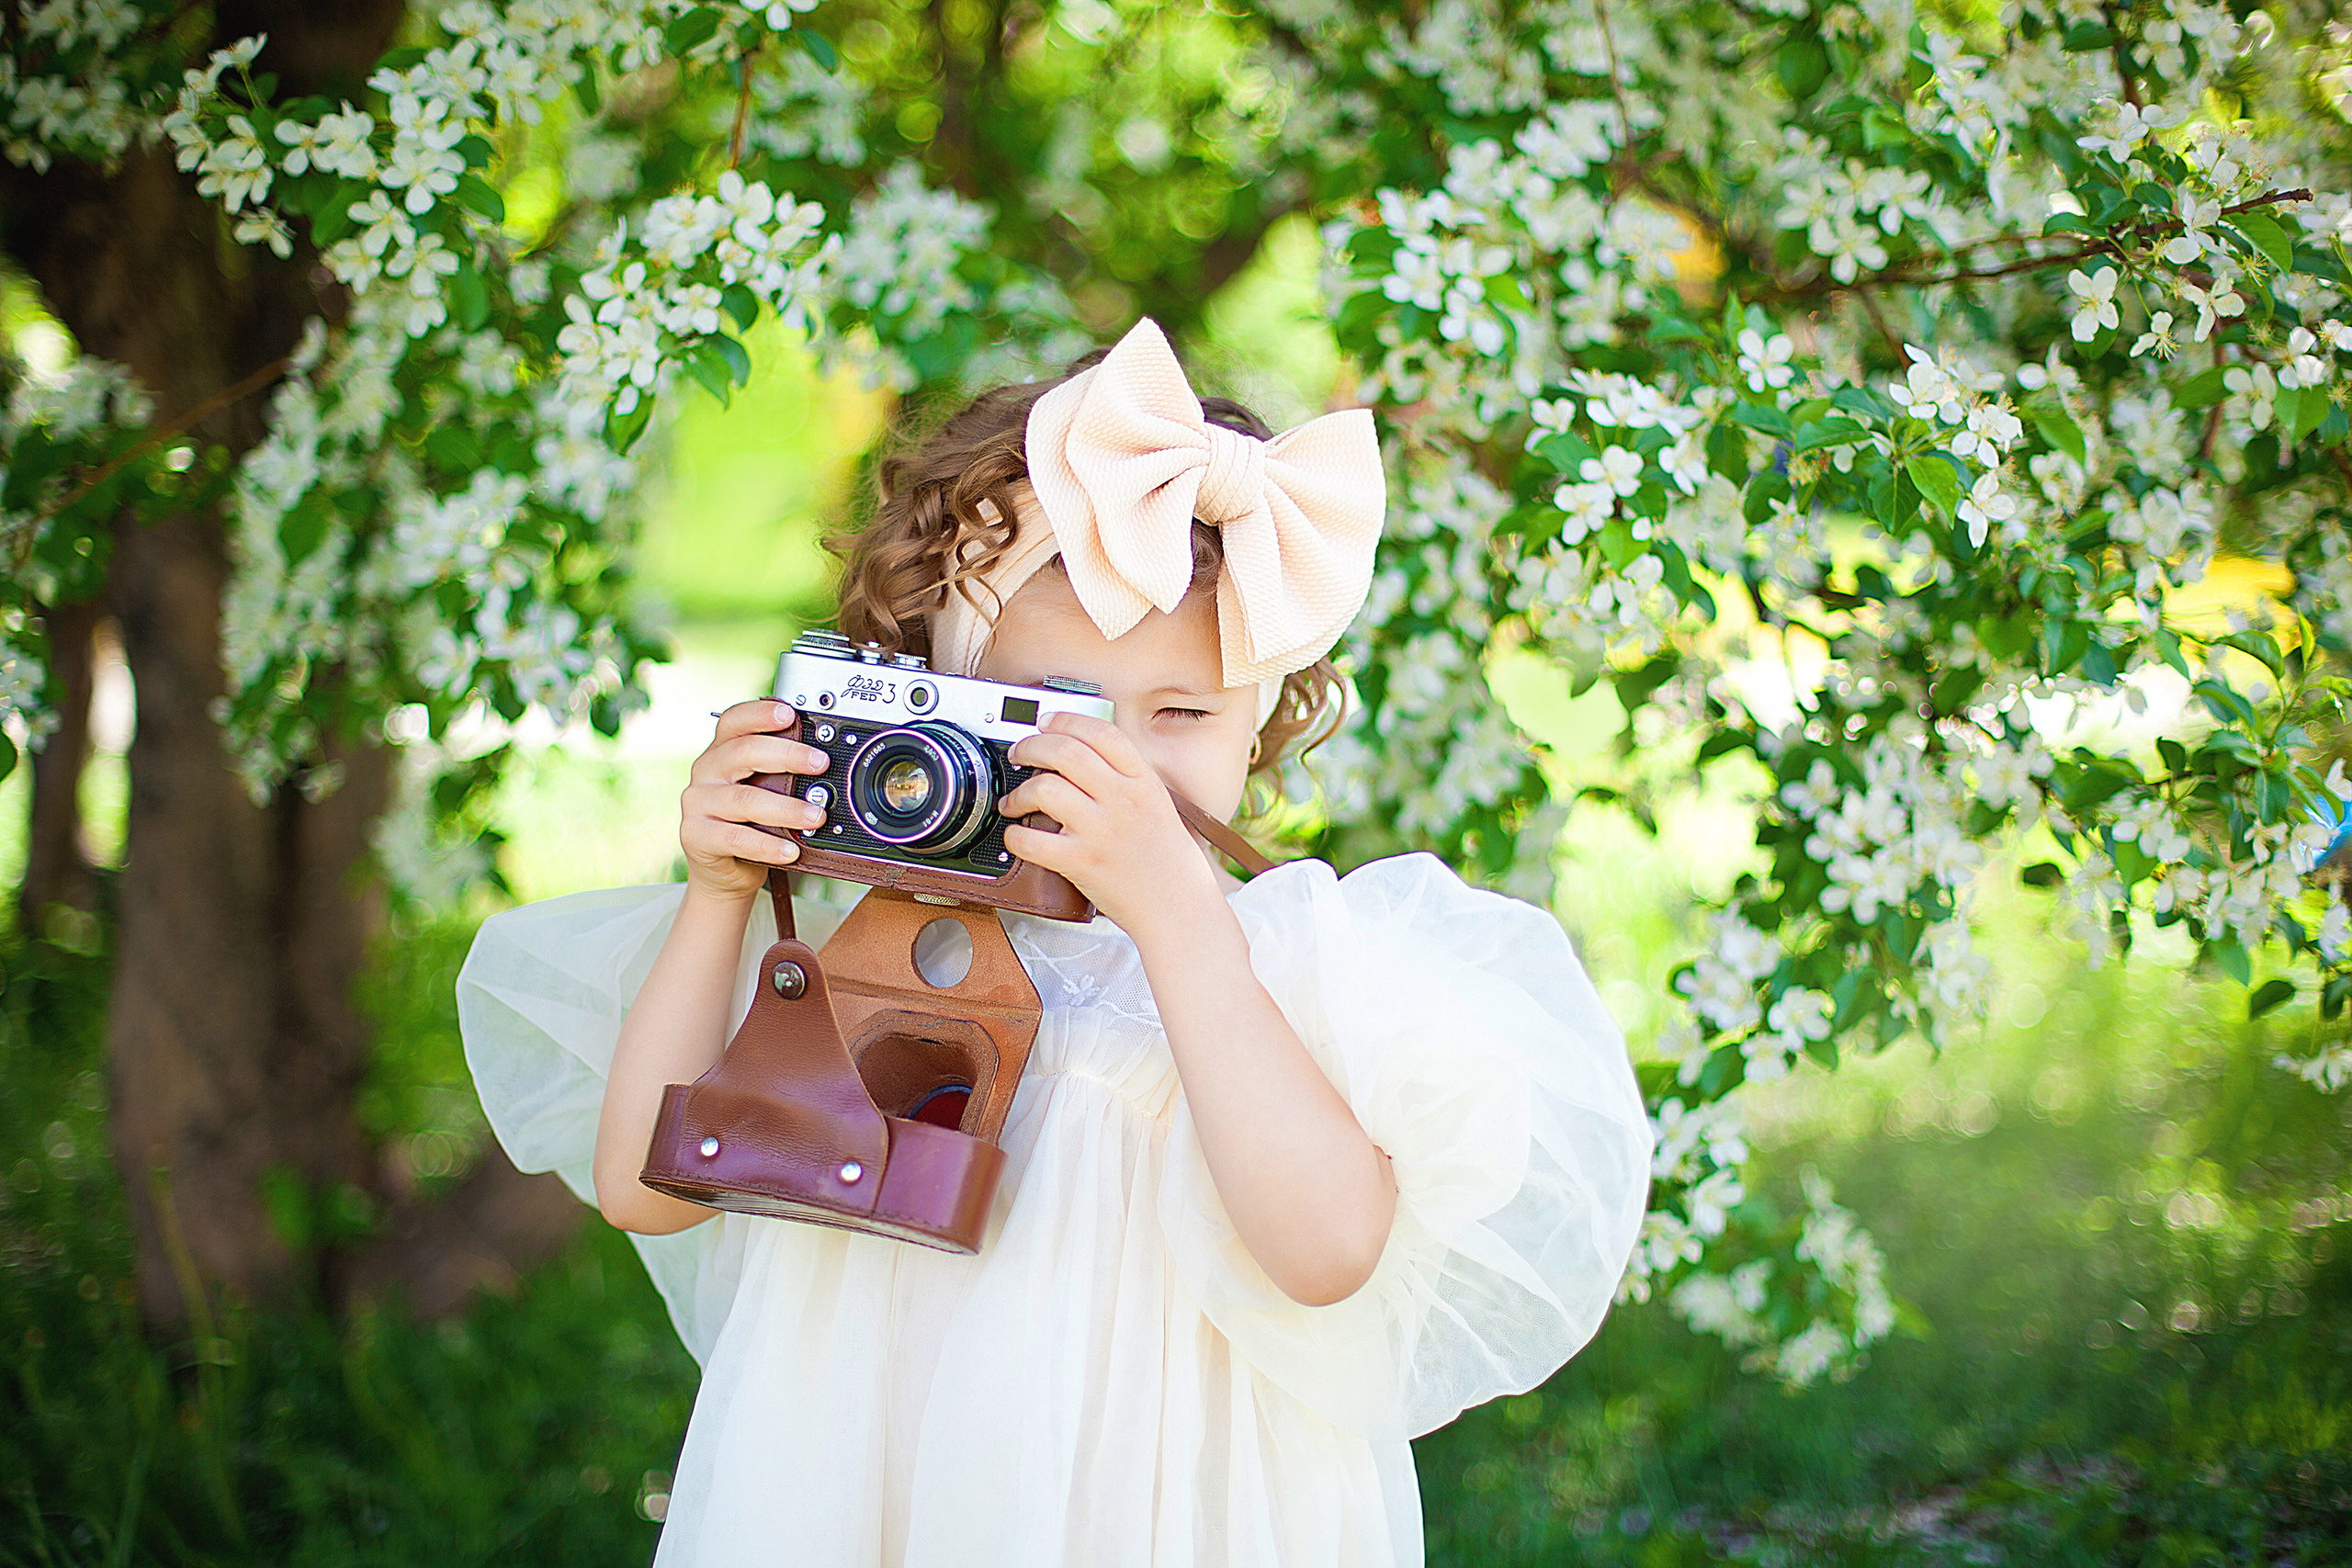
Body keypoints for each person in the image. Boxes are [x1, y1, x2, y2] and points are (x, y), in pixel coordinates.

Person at [457, 318, 1653, 1567]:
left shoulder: (1296, 967)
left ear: (1264, 721)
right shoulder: (870, 940)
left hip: (1165, 1513)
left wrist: (1182, 922)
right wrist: (719, 893)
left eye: (1182, 712)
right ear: (957, 696)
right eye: (1056, 713)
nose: (1115, 766)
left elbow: (1326, 1255)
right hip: (877, 1484)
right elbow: (644, 1192)